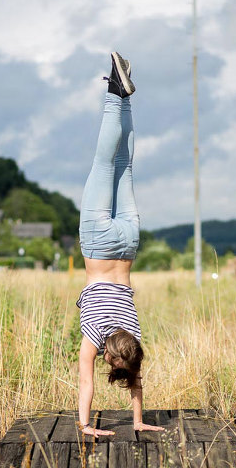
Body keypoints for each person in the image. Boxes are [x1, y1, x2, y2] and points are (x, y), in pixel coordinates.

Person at [75, 52, 165, 437]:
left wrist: (139, 418)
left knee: (124, 164)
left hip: (128, 242)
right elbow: (86, 383)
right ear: (113, 355)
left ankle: (123, 95)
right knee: (104, 162)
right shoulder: (96, 334)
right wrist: (84, 425)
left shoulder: (135, 336)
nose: (106, 362)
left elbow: (136, 383)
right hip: (98, 244)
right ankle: (116, 93)